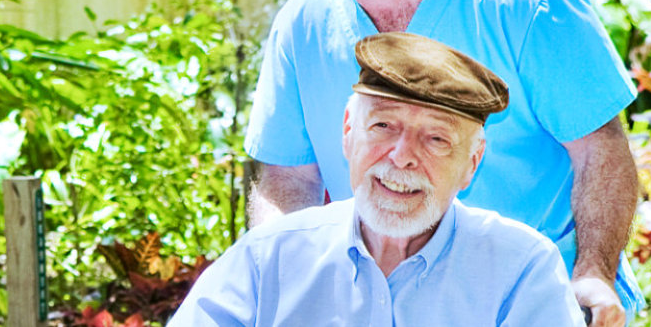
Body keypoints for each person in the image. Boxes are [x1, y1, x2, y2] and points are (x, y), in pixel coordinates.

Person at [243, 0, 643, 324]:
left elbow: (600, 153)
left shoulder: (530, 3)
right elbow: (286, 177)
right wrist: (290, 280)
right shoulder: (300, 25)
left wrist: (593, 273)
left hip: (534, 306)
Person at [172, 33, 582, 326]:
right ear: (348, 132)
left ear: (471, 163)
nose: (402, 156)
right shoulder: (271, 257)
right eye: (383, 125)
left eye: (436, 138)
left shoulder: (521, 268)